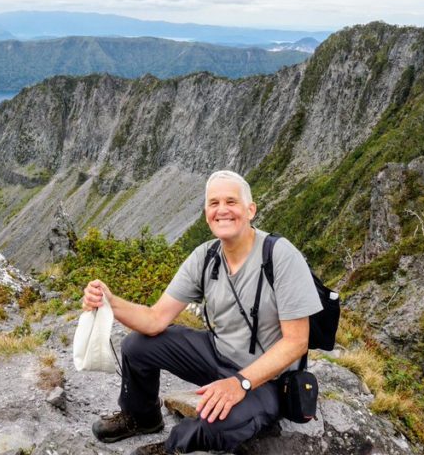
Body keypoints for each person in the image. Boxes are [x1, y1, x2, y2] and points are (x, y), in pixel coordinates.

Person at [81, 170, 322, 455]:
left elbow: (296, 342)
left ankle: (175, 446)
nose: (222, 210)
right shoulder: (206, 257)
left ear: (250, 209)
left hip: (267, 380)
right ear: (206, 211)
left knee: (220, 422)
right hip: (217, 355)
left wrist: (240, 383)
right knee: (136, 345)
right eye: (214, 203)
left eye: (231, 202)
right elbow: (155, 319)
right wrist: (110, 301)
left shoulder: (281, 256)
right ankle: (142, 417)